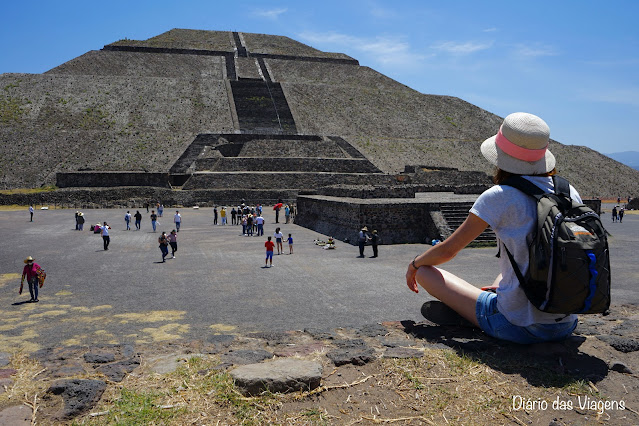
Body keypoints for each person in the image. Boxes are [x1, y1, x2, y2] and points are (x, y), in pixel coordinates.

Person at [406, 112, 579, 344]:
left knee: (425, 272)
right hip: (567, 323)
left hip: (518, 327)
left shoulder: (500, 196)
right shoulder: (569, 192)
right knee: (505, 272)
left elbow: (448, 250)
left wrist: (414, 264)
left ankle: (474, 315)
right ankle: (481, 308)